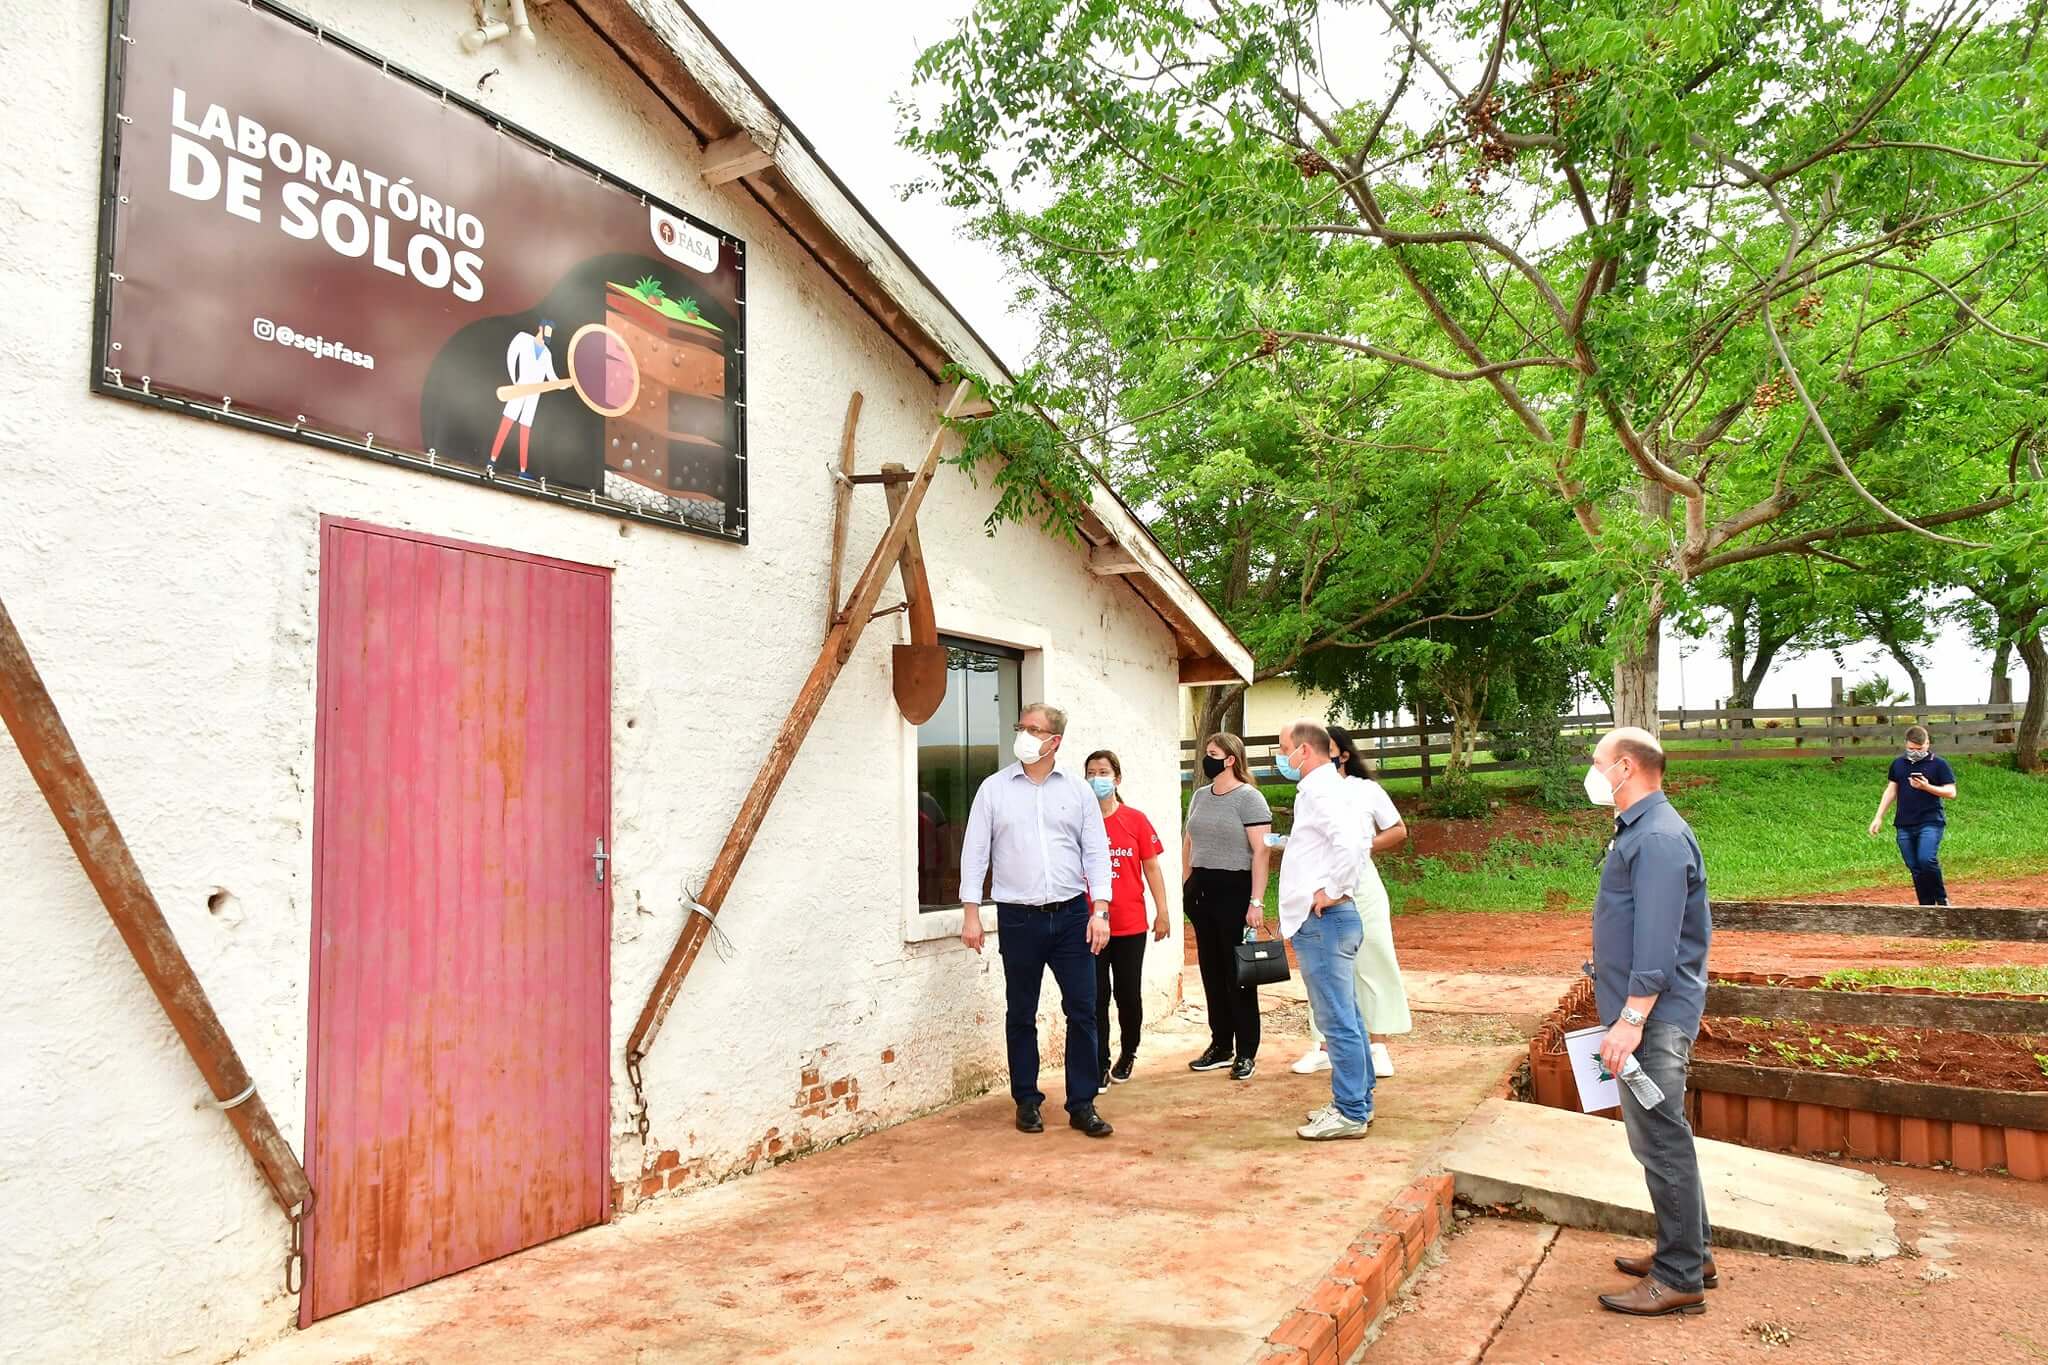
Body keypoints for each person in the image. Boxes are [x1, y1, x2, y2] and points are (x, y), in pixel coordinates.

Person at [1586, 727, 1715, 1318]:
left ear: (1626, 767)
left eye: (1598, 763)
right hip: (1643, 1012)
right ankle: (1691, 1251)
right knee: (1664, 1137)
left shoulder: (1658, 837)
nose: (1592, 773)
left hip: (1652, 1019)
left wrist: (1632, 1017)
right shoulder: (1642, 831)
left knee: (1660, 1140)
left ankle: (1679, 1275)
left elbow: (1659, 942)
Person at [959, 703, 1116, 1138]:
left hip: (1071, 917)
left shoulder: (1079, 792)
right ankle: (1027, 1100)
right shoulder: (993, 789)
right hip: (1018, 918)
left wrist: (1099, 909)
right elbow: (975, 851)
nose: (1024, 735)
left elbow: (1096, 852)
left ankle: (1082, 1103)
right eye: (1021, 726)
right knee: (1021, 1012)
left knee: (1083, 1010)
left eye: (1033, 729)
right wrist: (971, 912)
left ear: (1054, 741)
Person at [1291, 726, 1412, 1080]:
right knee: (1322, 963)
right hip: (1319, 886)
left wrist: (1362, 846)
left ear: (1343, 754)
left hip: (1361, 883)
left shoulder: (1365, 790)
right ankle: (1324, 1046)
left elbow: (1397, 829)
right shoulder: (1310, 791)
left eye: (1326, 749)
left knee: (1373, 959)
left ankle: (1378, 1045)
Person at [1273, 719, 1373, 1140]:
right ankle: (1356, 1101)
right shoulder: (1325, 789)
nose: (1279, 758)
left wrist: (1333, 890)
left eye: (1282, 749)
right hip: (1324, 921)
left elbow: (1353, 843)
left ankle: (1351, 1111)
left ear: (1305, 752)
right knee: (1346, 1014)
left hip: (1325, 921)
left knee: (1336, 1019)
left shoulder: (1321, 790)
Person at [1181, 733, 1273, 1081]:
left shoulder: (1249, 799)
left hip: (1235, 888)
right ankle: (1221, 1044)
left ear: (1231, 759)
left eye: (1213, 754)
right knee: (1211, 971)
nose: (1208, 759)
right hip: (1202, 889)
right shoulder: (1201, 796)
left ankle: (1246, 1051)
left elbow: (1261, 852)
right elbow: (1188, 840)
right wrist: (1185, 882)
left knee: (1238, 974)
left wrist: (1256, 901)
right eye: (1207, 753)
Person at [1083, 750, 1170, 1085]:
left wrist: (1162, 911)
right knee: (1095, 995)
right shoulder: (1081, 820)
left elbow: (1152, 867)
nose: (1096, 779)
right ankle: (1099, 1062)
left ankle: (1129, 1051)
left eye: (1103, 772)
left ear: (1117, 778)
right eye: (1090, 773)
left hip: (1130, 923)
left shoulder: (1135, 820)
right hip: (1092, 925)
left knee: (1127, 994)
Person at [1868, 725, 1958, 906]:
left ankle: (1941, 899)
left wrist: (1927, 787)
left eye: (1920, 749)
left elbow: (1951, 792)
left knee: (1926, 860)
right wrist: (1878, 817)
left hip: (1930, 821)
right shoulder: (1898, 764)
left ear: (1927, 744)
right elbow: (1891, 790)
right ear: (1906, 745)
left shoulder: (1939, 764)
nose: (1915, 752)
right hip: (1904, 823)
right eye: (1911, 749)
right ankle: (1925, 905)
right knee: (1915, 867)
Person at [490, 318, 558, 478]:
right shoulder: (523, 339)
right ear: (540, 328)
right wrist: (514, 382)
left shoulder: (547, 354)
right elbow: (511, 356)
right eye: (545, 334)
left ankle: (522, 470)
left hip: (534, 395)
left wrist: (562, 384)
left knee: (525, 429)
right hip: (519, 388)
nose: (545, 339)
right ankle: (491, 461)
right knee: (506, 423)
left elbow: (551, 375)